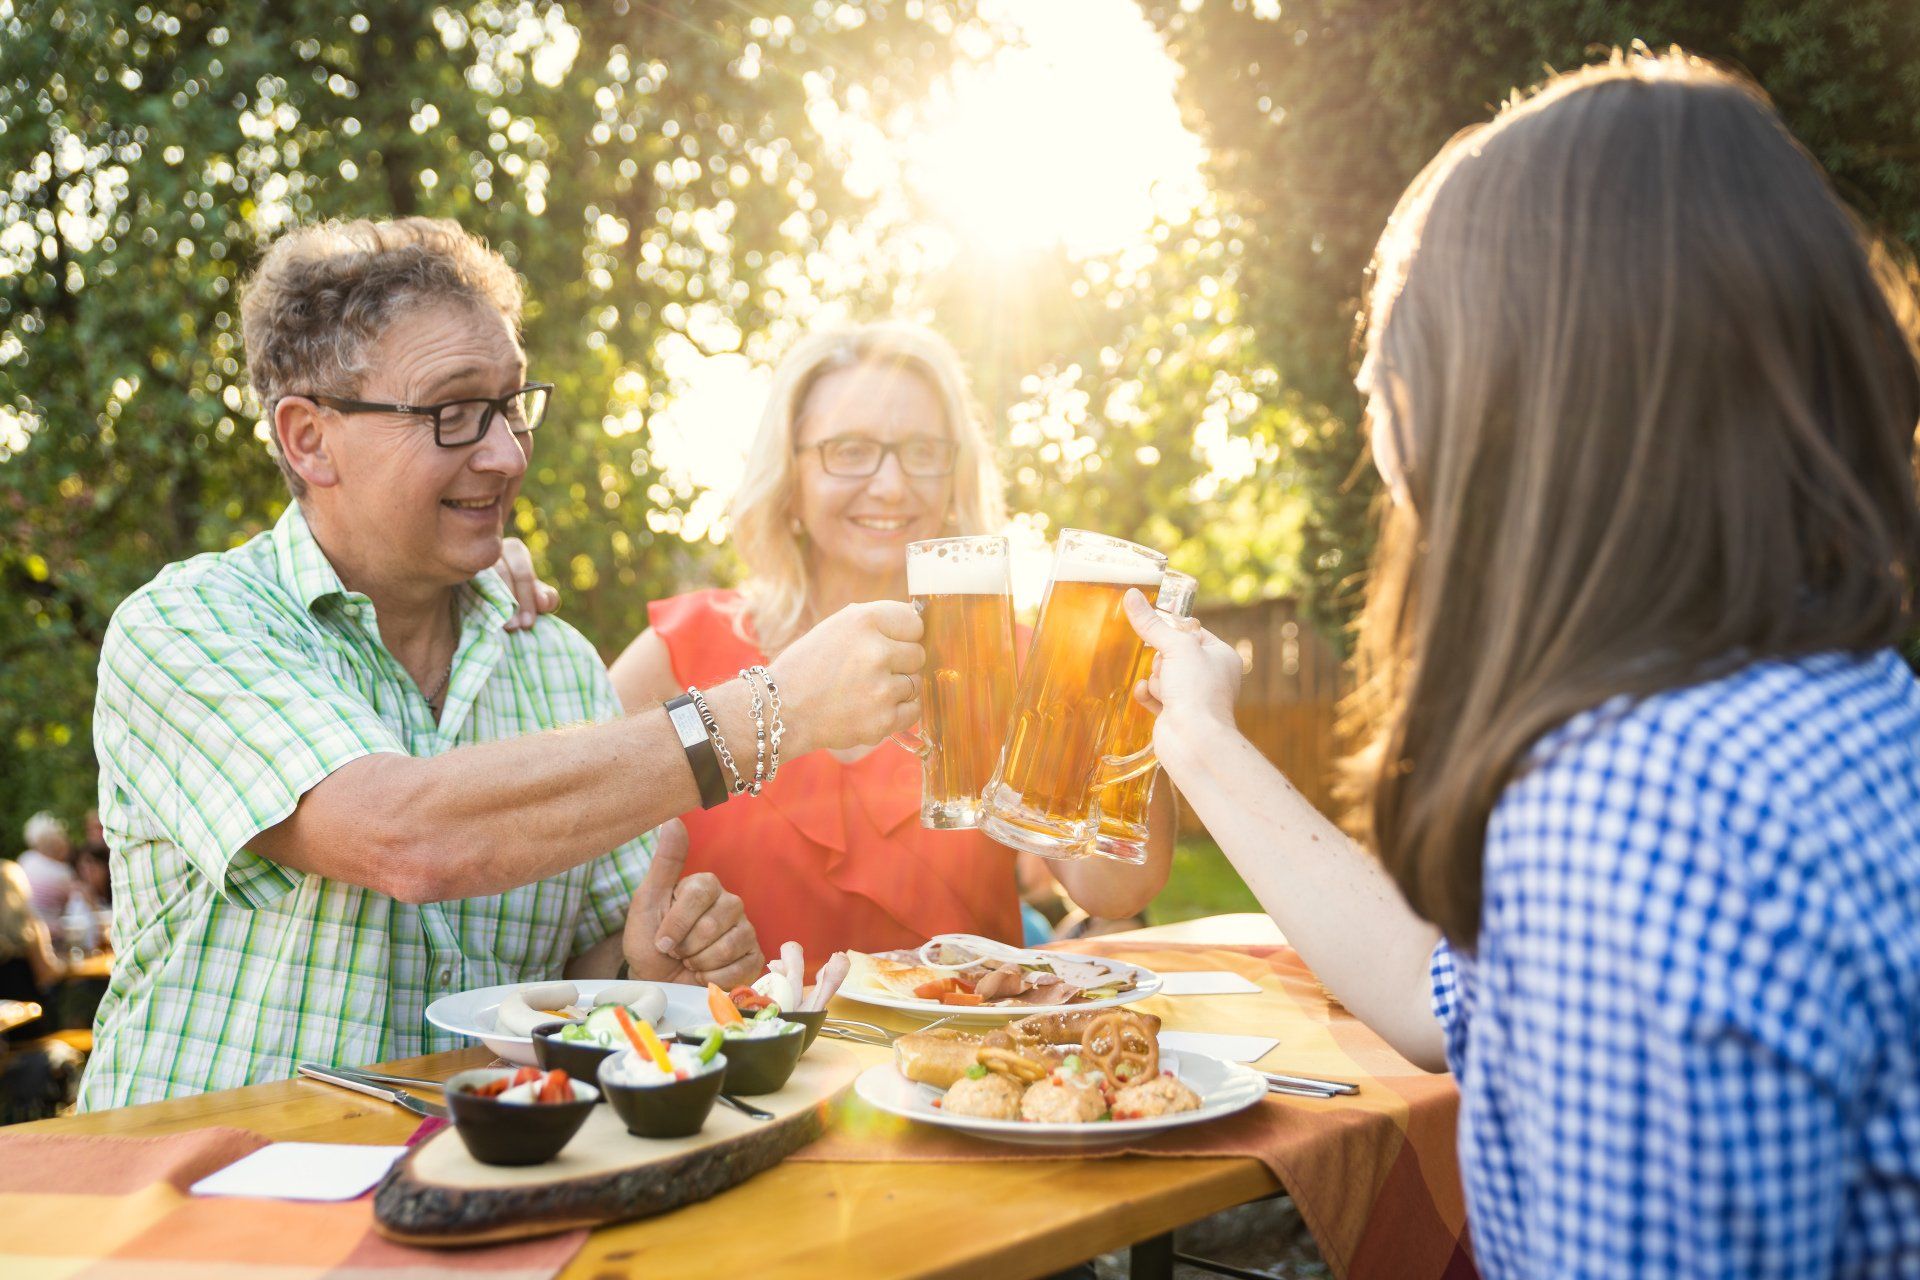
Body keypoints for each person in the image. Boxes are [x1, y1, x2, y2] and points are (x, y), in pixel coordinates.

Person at [1125, 52, 1920, 1277]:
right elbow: (1436, 991)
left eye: (1393, 380)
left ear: (1505, 418)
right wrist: (1200, 740)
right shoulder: (1844, 710)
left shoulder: (1630, 812)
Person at [84, 218, 925, 1110]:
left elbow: (584, 967)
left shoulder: (555, 660)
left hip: (473, 1191)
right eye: (452, 413)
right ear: (307, 438)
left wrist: (646, 959)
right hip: (199, 1199)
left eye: (512, 404)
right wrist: (771, 710)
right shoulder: (189, 627)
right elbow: (406, 837)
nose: (506, 453)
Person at [608, 324, 1171, 969]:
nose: (891, 485)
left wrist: (1134, 702)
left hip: (959, 1059)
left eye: (923, 451)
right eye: (850, 450)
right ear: (789, 473)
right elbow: (559, 842)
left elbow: (1118, 889)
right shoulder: (681, 650)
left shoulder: (1018, 663)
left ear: (954, 475)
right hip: (740, 1064)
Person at [17, 813, 91, 930]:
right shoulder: (63, 873)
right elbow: (80, 906)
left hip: (25, 927)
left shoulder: (26, 859)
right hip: (50, 931)